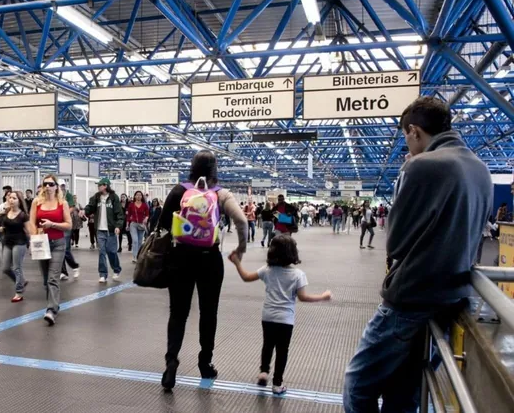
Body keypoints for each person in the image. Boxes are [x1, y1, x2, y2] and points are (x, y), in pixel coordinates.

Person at [343, 97, 493, 413]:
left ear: (413, 131)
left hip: (410, 299)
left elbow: (395, 243)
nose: (406, 145)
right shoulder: (481, 169)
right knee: (405, 392)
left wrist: (404, 177)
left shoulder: (422, 165)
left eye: (405, 137)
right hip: (452, 300)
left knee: (357, 386)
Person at [158, 151, 248, 391]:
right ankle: (205, 362)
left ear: (192, 167)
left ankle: (171, 362)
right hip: (210, 260)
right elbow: (242, 221)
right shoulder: (220, 194)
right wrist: (241, 248)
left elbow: (161, 225)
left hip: (181, 258)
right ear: (214, 170)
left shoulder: (179, 191)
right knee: (209, 313)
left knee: (178, 313)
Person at [231, 235, 331, 395]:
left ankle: (263, 372)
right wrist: (323, 296)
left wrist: (237, 262)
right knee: (282, 350)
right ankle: (277, 384)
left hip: (268, 316)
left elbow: (246, 277)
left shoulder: (267, 270)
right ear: (293, 253)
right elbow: (303, 297)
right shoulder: (298, 274)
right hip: (285, 320)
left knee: (267, 345)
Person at [28, 174, 72, 325]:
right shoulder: (36, 202)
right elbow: (32, 222)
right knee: (46, 279)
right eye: (45, 184)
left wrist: (52, 224)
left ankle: (51, 310)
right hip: (42, 243)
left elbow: (68, 224)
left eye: (51, 184)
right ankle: (53, 304)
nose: (48, 187)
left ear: (56, 187)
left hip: (58, 243)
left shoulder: (62, 203)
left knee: (53, 278)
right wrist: (34, 238)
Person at [83, 178, 124, 283]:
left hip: (110, 230)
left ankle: (116, 269)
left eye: (100, 185)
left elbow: (120, 214)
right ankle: (103, 274)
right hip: (100, 230)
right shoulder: (96, 198)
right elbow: (90, 207)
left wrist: (118, 226)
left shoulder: (114, 198)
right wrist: (84, 211)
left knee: (111, 252)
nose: (98, 186)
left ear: (105, 185)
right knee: (101, 252)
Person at [0, 191, 30, 303]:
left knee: (17, 267)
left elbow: (28, 231)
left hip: (19, 242)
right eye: (10, 198)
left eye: (14, 198)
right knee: (5, 268)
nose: (11, 200)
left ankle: (19, 292)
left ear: (19, 201)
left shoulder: (23, 215)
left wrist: (32, 244)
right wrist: (2, 228)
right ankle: (21, 281)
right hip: (7, 242)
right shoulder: (6, 212)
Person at [57, 181, 79, 281]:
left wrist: (63, 213)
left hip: (65, 224)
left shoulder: (68, 196)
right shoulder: (54, 196)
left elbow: (72, 207)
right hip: (56, 225)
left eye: (62, 186)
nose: (60, 187)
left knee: (65, 249)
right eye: (58, 185)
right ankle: (63, 272)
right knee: (59, 249)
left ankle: (74, 266)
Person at [127, 191, 149, 263]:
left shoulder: (144, 205)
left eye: (140, 195)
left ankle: (138, 256)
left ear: (142, 197)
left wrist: (146, 218)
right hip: (133, 224)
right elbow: (128, 215)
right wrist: (127, 224)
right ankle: (134, 257)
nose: (139, 196)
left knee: (139, 241)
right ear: (135, 196)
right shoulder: (131, 205)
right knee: (135, 241)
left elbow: (147, 214)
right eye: (137, 195)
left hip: (141, 225)